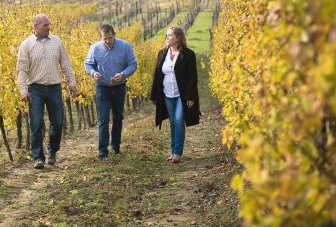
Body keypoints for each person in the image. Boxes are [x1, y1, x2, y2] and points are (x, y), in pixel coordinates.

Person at [17, 14, 77, 169]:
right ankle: (38, 157)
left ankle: (52, 151)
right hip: (35, 89)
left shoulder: (57, 41)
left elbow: (65, 64)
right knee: (36, 123)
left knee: (57, 122)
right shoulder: (26, 45)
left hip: (55, 88)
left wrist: (72, 83)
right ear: (35, 26)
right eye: (45, 25)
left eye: (49, 24)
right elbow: (22, 70)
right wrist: (23, 90)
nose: (49, 27)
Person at [84, 24, 137, 159]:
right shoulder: (95, 48)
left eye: (110, 38)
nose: (107, 41)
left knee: (118, 117)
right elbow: (88, 64)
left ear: (114, 35)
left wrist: (124, 74)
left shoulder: (125, 46)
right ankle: (103, 151)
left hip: (119, 86)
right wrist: (93, 72)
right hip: (102, 87)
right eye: (104, 39)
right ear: (101, 38)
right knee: (103, 119)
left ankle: (116, 147)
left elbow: (133, 64)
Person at [150, 26, 200, 164]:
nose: (167, 38)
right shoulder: (162, 53)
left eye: (170, 35)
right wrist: (154, 95)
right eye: (166, 35)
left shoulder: (188, 54)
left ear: (178, 38)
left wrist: (190, 96)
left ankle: (177, 152)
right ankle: (172, 151)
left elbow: (192, 77)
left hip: (181, 94)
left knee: (178, 121)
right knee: (172, 122)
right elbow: (157, 75)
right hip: (167, 93)